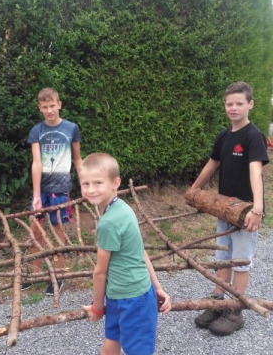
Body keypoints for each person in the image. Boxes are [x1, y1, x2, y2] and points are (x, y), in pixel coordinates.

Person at [190, 81, 269, 336]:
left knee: (240, 261)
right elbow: (212, 164)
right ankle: (218, 300)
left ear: (250, 104)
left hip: (245, 211)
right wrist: (194, 189)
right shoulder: (224, 136)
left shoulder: (253, 136)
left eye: (239, 103)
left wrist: (257, 209)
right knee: (223, 257)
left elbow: (256, 171)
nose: (233, 108)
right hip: (224, 208)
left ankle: (235, 310)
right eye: (229, 104)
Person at [79, 153, 171, 355]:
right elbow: (141, 252)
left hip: (132, 300)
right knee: (111, 346)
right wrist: (157, 287)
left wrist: (96, 308)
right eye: (85, 184)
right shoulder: (121, 209)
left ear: (115, 183)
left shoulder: (109, 221)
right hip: (119, 296)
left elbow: (100, 272)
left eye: (98, 182)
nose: (91, 189)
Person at [23, 87, 82, 295]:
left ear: (59, 105)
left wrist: (84, 184)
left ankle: (58, 276)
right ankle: (33, 274)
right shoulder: (37, 131)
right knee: (35, 231)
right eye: (45, 107)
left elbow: (77, 159)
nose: (49, 110)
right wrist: (37, 196)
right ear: (40, 108)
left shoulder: (71, 128)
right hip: (43, 189)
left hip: (61, 188)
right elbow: (36, 163)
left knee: (57, 233)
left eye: (52, 106)